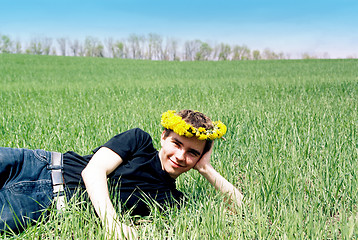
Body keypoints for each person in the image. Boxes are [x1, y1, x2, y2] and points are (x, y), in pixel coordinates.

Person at [0, 109, 243, 239]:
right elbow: (93, 171)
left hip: (39, 205)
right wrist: (112, 224)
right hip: (35, 164)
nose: (180, 156)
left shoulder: (171, 200)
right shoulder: (139, 141)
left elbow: (239, 207)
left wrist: (206, 169)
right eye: (177, 144)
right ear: (164, 136)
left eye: (192, 152)